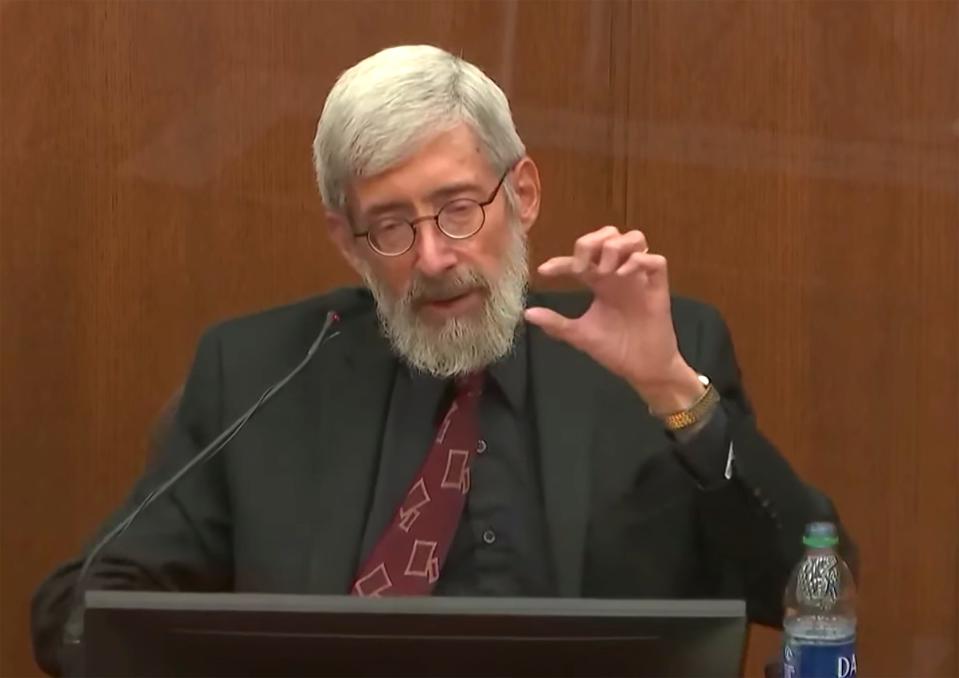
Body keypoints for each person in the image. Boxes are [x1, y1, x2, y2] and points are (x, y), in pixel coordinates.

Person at [32, 45, 853, 674]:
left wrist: (673, 390)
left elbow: (811, 590)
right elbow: (81, 612)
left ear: (521, 192)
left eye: (458, 209)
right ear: (346, 240)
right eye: (389, 226)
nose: (431, 257)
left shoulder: (663, 359)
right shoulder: (258, 373)